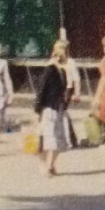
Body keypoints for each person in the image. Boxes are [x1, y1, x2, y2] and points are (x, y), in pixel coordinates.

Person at [35, 40, 75, 175]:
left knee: (58, 140)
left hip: (59, 108)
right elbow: (41, 91)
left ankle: (51, 165)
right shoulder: (49, 70)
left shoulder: (62, 71)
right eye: (63, 56)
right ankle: (46, 166)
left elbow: (66, 90)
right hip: (48, 108)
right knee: (49, 139)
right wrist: (37, 110)